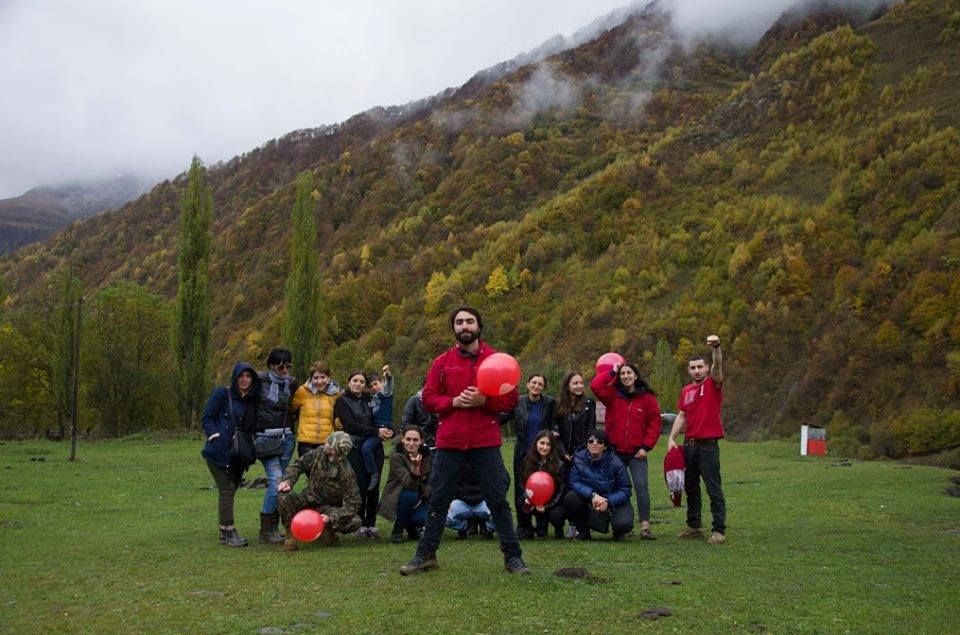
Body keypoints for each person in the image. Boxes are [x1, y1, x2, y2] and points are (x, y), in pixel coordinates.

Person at [399, 306, 527, 576]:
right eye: (459, 322)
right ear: (454, 329)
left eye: (470, 321)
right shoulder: (441, 363)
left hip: (485, 442)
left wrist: (485, 401)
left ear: (479, 326)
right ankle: (425, 555)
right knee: (438, 500)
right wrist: (453, 402)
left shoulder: (497, 360)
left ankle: (513, 558)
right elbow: (429, 398)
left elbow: (510, 400)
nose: (464, 326)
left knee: (498, 501)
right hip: (450, 443)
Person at [667, 335, 727, 545]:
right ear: (689, 370)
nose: (697, 371)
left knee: (713, 487)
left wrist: (716, 347)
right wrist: (671, 438)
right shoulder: (686, 391)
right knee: (691, 487)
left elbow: (718, 367)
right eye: (693, 368)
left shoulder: (712, 384)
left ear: (706, 367)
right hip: (690, 446)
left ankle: (719, 531)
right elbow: (682, 416)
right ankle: (694, 526)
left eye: (700, 367)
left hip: (708, 446)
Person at [591, 361, 661, 540]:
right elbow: (595, 386)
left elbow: (654, 424)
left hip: (637, 453)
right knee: (617, 487)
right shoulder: (612, 395)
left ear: (636, 376)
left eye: (629, 373)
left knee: (641, 486)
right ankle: (621, 525)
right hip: (615, 452)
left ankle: (645, 526)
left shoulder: (647, 399)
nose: (626, 376)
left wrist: (646, 447)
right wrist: (612, 372)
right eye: (622, 373)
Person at [200, 362, 260, 547]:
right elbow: (207, 417)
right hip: (219, 451)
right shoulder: (222, 394)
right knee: (226, 490)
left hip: (239, 454)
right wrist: (214, 434)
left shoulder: (252, 400)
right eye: (241, 376)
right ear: (235, 378)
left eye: (248, 376)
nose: (244, 380)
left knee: (231, 490)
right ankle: (230, 531)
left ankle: (223, 531)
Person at [276, 431, 362, 551]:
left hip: (326, 509)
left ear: (333, 450)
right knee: (284, 496)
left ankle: (327, 530)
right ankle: (291, 534)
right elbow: (298, 465)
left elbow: (354, 503)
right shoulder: (318, 453)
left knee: (355, 521)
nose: (325, 442)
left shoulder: (347, 472)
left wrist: (331, 517)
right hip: (307, 500)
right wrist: (288, 481)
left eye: (328, 442)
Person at [336, 370, 394, 537]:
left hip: (374, 448)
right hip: (355, 448)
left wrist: (389, 430)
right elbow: (350, 425)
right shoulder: (342, 401)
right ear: (349, 382)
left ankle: (371, 523)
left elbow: (382, 415)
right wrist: (376, 431)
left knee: (374, 486)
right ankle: (359, 522)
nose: (358, 384)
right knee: (360, 486)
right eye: (355, 380)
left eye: (362, 382)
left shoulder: (371, 399)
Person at [255, 348, 299, 544]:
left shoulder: (292, 384)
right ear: (272, 365)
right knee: (276, 481)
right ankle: (267, 529)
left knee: (280, 484)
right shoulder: (259, 382)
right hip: (265, 438)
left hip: (286, 438)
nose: (285, 370)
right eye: (281, 366)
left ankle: (271, 526)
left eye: (288, 365)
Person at [507, 374, 555, 539]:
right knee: (522, 490)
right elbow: (503, 417)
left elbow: (554, 422)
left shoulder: (549, 403)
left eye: (540, 384)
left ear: (544, 387)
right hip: (522, 453)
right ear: (527, 384)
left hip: (543, 453)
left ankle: (542, 525)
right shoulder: (517, 402)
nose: (536, 386)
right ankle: (524, 526)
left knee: (543, 487)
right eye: (534, 383)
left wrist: (555, 432)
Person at [563, 430, 634, 541]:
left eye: (599, 442)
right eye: (591, 441)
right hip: (589, 498)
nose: (594, 443)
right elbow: (574, 482)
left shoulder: (617, 463)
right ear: (587, 445)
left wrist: (608, 501)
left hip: (612, 499)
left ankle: (618, 532)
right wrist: (592, 495)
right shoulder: (578, 459)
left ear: (605, 446)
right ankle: (583, 532)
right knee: (570, 497)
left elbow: (625, 489)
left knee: (624, 524)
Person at [379, 425, 432, 543]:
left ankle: (412, 527)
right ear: (402, 439)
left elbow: (431, 481)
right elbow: (409, 484)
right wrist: (415, 468)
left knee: (427, 518)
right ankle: (397, 529)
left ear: (421, 441)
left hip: (421, 498)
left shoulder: (427, 456)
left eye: (415, 440)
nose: (411, 443)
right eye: (408, 439)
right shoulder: (396, 457)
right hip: (398, 498)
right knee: (410, 494)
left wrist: (424, 497)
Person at [518, 430, 567, 539]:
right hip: (533, 499)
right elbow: (523, 482)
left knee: (557, 516)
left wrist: (547, 506)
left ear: (552, 447)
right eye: (542, 443)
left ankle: (558, 529)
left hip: (553, 502)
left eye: (548, 444)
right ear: (536, 443)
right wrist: (527, 498)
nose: (544, 447)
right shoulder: (527, 460)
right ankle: (527, 529)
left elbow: (562, 490)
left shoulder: (559, 464)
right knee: (521, 502)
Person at [290, 361, 341, 456]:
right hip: (306, 442)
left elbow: (338, 416)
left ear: (328, 377)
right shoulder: (302, 391)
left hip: (326, 442)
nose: (319, 381)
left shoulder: (335, 395)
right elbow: (291, 409)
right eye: (316, 378)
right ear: (311, 378)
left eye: (323, 377)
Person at [361, 365, 394, 491]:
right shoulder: (371, 398)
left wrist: (387, 374)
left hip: (384, 428)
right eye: (371, 386)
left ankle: (374, 473)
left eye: (376, 384)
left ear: (381, 382)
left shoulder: (385, 393)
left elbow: (389, 382)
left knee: (366, 448)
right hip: (375, 429)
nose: (374, 388)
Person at [553, 370, 597, 462]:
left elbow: (591, 429)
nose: (579, 386)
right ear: (567, 386)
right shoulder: (558, 403)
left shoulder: (589, 403)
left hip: (582, 453)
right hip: (561, 453)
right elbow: (556, 430)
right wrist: (563, 452)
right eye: (575, 383)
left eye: (581, 383)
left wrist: (580, 452)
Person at [445, 461, 495, 539]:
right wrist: (450, 500)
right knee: (442, 515)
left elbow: (499, 481)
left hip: (483, 501)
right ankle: (465, 526)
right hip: (462, 501)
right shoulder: (456, 460)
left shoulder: (486, 460)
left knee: (501, 513)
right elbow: (448, 483)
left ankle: (487, 527)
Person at [400, 382, 438, 448]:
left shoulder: (436, 403)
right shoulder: (414, 401)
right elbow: (405, 422)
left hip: (432, 441)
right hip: (416, 439)